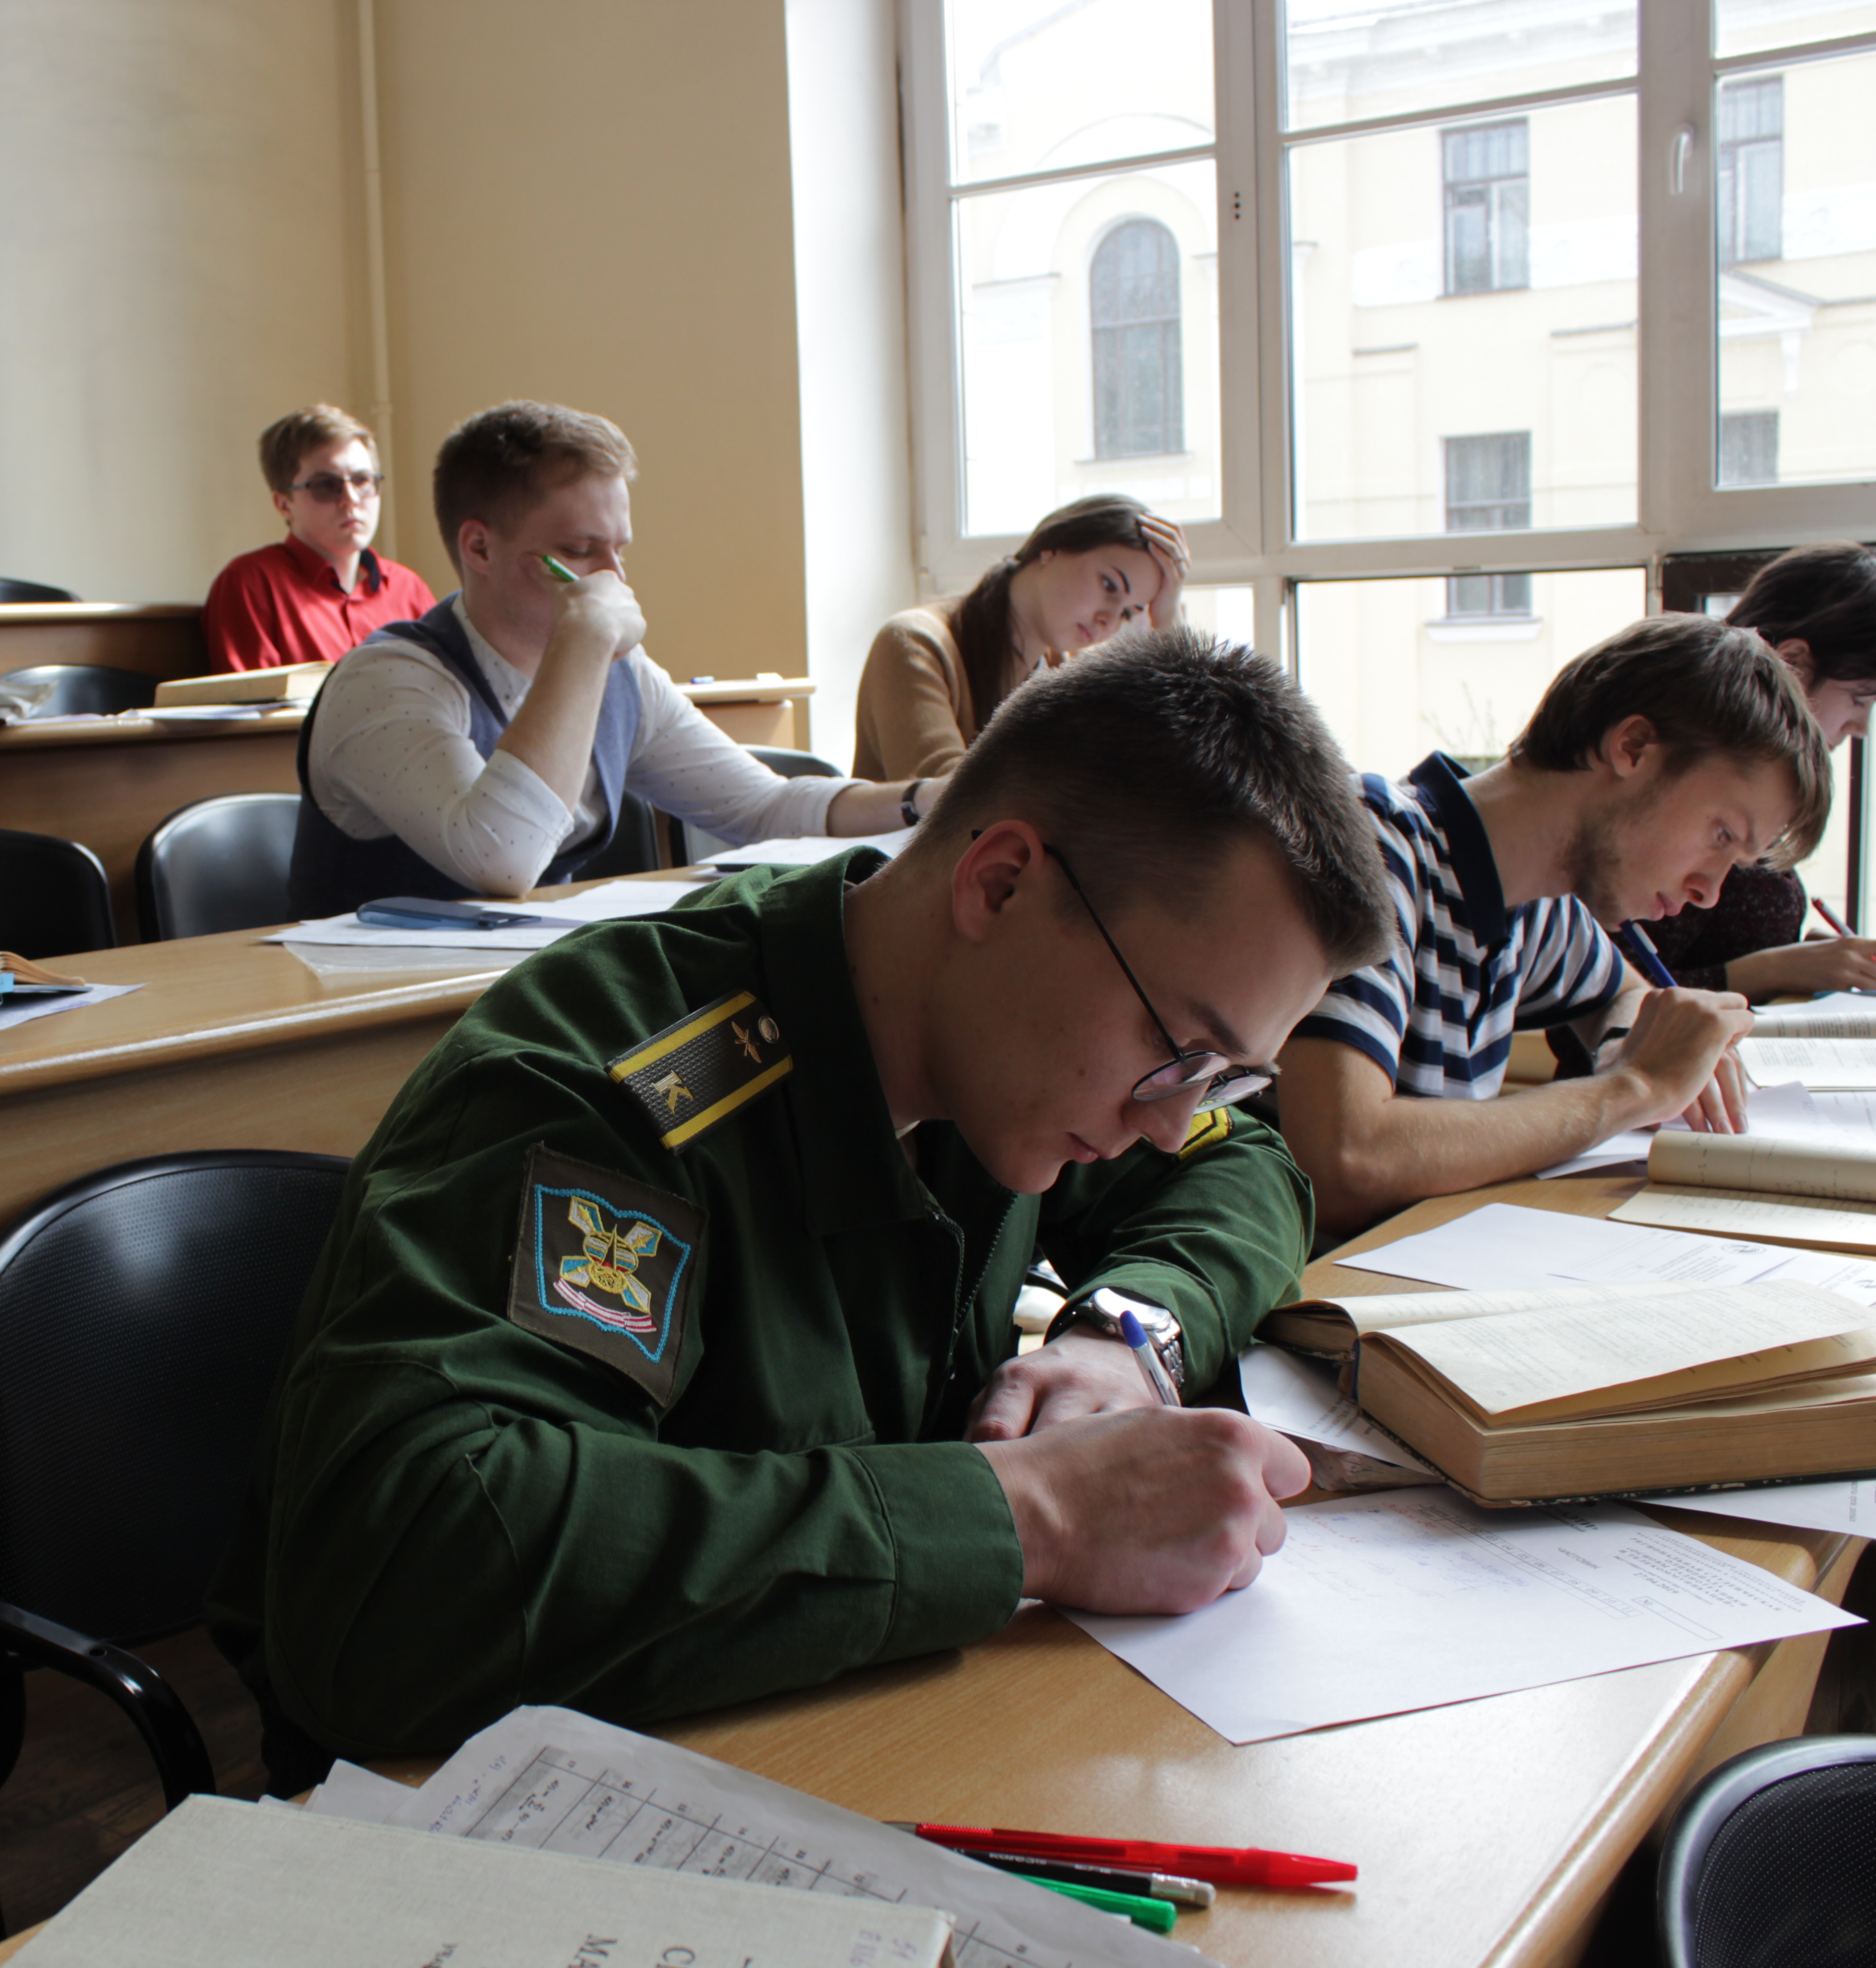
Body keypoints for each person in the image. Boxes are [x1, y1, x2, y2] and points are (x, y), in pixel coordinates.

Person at [212, 626, 1399, 1776]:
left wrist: (1125, 1335)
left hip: (835, 1738)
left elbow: (1240, 1168)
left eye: (1220, 1075)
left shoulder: (1006, 1059)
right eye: (1179, 1048)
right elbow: (398, 1580)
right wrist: (1030, 1515)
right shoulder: (615, 1087)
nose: (1170, 1116)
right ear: (998, 885)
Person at [1271, 614, 1833, 1243]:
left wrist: (1630, 1043)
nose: (1710, 891)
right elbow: (1344, 1163)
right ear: (1633, 748)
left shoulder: (1540, 905)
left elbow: (1628, 996)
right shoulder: (1372, 849)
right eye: (1721, 834)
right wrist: (1637, 1086)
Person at [291, 400, 928, 919]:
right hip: (361, 1013)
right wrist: (586, 635)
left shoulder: (618, 675)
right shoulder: (387, 680)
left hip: (515, 993)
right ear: (480, 548)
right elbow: (503, 859)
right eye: (579, 550)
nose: (614, 579)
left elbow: (764, 808)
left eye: (619, 550)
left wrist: (928, 801)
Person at [1639, 543, 1876, 997]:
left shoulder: (1757, 786)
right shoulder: (1695, 780)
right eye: (1859, 699)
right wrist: (1774, 970)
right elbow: (1596, 1002)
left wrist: (1803, 960)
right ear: (1793, 665)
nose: (1861, 728)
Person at [852, 493, 1187, 781]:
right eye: (1110, 585)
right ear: (1051, 548)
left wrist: (1168, 624)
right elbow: (945, 804)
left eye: (1128, 613)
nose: (1109, 620)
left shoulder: (1067, 675)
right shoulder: (917, 643)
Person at [202, 404, 436, 673]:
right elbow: (253, 697)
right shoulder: (250, 584)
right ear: (284, 504)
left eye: (362, 480)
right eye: (326, 485)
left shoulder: (409, 589)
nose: (351, 499)